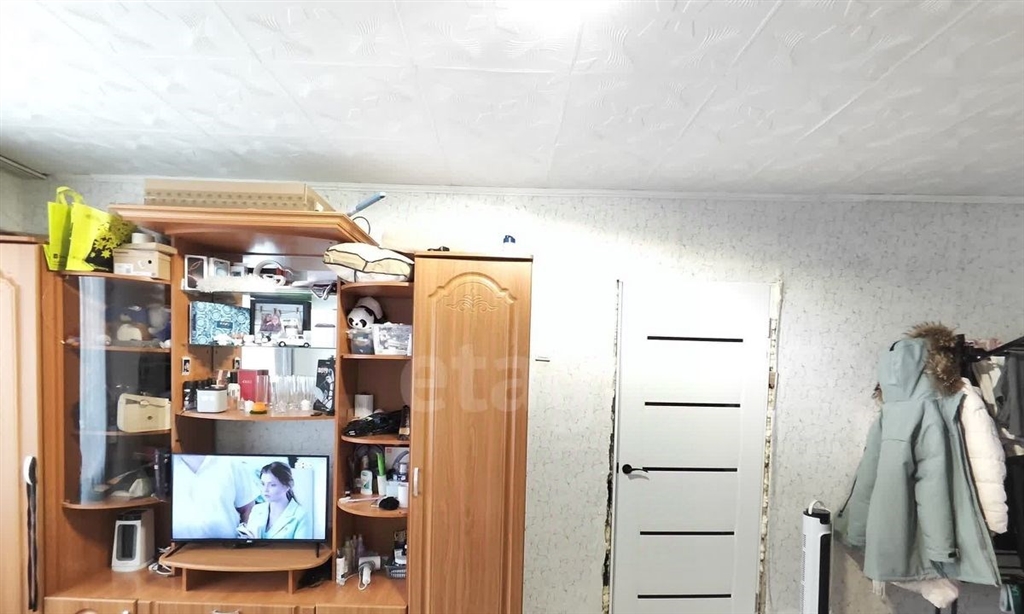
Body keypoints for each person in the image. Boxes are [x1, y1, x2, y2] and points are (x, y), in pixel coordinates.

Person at [171, 455, 261, 540]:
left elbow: (249, 510)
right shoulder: (167, 465)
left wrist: (244, 542)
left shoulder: (232, 462)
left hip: (228, 547)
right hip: (180, 547)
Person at [237, 462, 312, 540]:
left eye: (272, 485)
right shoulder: (257, 509)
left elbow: (302, 547)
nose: (265, 490)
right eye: (263, 484)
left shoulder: (301, 516)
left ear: (287, 486)